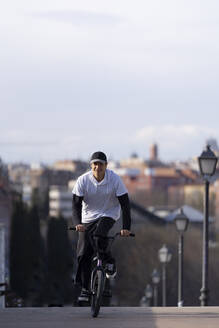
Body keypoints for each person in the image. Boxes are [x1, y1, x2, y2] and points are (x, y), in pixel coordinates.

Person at [72, 151, 132, 302]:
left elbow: (125, 205)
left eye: (100, 164)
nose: (97, 167)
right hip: (87, 217)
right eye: (95, 164)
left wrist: (126, 227)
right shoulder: (82, 181)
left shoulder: (115, 180)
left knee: (99, 234)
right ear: (90, 166)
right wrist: (78, 223)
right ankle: (85, 289)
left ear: (106, 166)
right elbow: (75, 205)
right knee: (83, 253)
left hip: (109, 214)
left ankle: (109, 260)